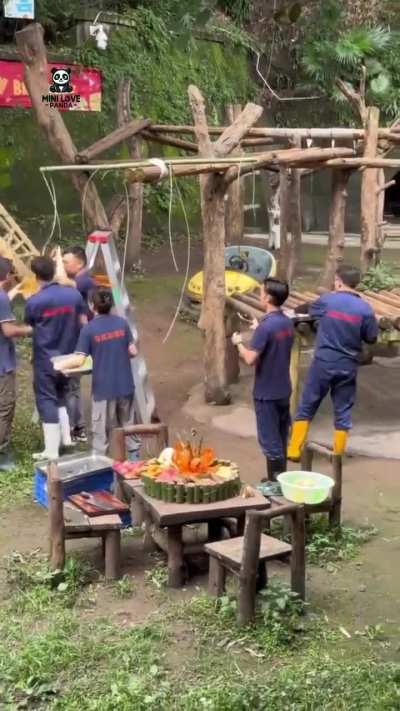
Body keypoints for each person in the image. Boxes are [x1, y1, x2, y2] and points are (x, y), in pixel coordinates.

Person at [287, 264, 379, 461]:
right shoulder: (365, 308)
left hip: (323, 362)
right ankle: (337, 454)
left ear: (338, 281)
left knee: (307, 405)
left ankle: (294, 450)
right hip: (347, 365)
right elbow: (371, 338)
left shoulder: (327, 301)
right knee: (343, 408)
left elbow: (307, 310)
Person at [54, 287, 138, 457]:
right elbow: (133, 351)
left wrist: (59, 365)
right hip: (125, 386)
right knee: (130, 430)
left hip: (103, 390)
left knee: (101, 436)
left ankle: (104, 475)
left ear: (92, 305)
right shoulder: (122, 323)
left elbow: (79, 360)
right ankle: (134, 468)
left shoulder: (89, 329)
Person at [231, 277, 294, 481]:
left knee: (269, 441)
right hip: (283, 389)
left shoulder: (266, 328)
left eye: (261, 291)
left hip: (266, 393)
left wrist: (238, 343)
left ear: (267, 297)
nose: (260, 294)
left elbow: (250, 358)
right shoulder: (286, 322)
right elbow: (274, 341)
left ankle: (276, 483)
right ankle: (280, 478)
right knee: (281, 436)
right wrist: (258, 328)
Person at [25, 256, 86, 460]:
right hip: (69, 354)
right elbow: (81, 320)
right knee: (61, 393)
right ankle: (66, 438)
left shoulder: (35, 301)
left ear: (36, 276)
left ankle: (51, 451)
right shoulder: (74, 295)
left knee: (46, 399)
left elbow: (31, 325)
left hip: (46, 357)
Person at [0, 257, 32, 470]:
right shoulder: (1, 298)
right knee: (4, 406)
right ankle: (2, 453)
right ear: (6, 276)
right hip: (1, 364)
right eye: (12, 274)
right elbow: (9, 330)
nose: (14, 278)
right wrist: (30, 330)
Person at [63, 245, 95, 443]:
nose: (63, 265)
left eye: (67, 261)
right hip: (79, 338)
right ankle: (78, 426)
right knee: (71, 385)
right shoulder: (81, 279)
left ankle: (77, 428)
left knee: (71, 386)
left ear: (80, 263)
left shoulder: (82, 281)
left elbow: (61, 284)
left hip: (79, 342)